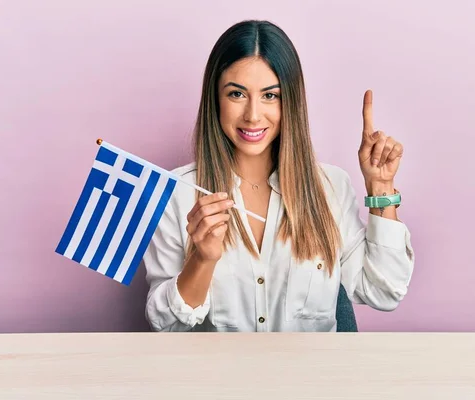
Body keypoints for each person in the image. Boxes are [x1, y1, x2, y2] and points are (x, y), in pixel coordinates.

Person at [143, 20, 415, 332]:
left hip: (311, 378)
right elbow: (164, 326)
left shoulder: (331, 187)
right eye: (236, 94)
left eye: (270, 95)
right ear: (215, 99)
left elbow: (384, 291)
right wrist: (202, 260)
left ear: (291, 102)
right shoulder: (178, 193)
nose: (253, 114)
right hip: (220, 378)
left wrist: (381, 187)